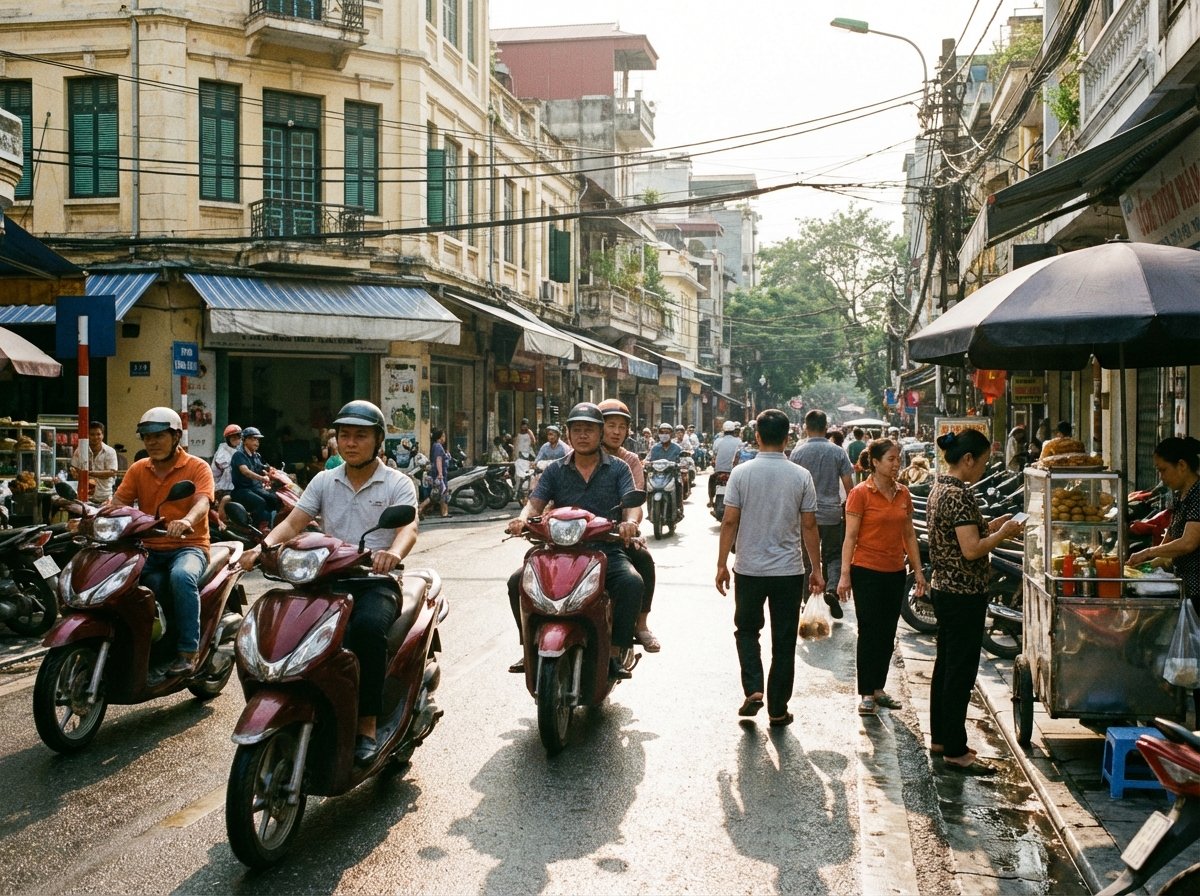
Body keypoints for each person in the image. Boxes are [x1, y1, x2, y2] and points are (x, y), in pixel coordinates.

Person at [239, 400, 419, 765]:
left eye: (360, 436)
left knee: (366, 630)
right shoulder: (325, 479)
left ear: (378, 441)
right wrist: (263, 548)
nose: (350, 443)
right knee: (282, 625)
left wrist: (393, 555)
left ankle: (367, 725)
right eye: (344, 436)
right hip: (324, 580)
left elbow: (408, 529)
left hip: (374, 581)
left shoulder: (397, 483)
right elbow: (294, 523)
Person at [505, 402, 644, 680]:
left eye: (589, 430)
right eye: (577, 430)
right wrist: (521, 520)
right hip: (558, 551)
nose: (583, 435)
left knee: (631, 582)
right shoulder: (555, 470)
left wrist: (630, 522)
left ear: (600, 433)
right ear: (568, 434)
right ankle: (528, 646)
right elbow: (534, 504)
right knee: (516, 581)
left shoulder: (618, 468)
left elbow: (632, 503)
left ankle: (616, 652)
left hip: (605, 548)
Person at [715, 408, 824, 727]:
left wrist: (722, 564)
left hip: (748, 569)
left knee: (747, 630)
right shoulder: (800, 476)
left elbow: (729, 521)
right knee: (784, 640)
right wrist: (816, 569)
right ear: (788, 438)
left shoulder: (741, 474)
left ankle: (753, 688)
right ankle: (778, 709)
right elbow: (810, 527)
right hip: (789, 572)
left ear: (757, 436)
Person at [927, 428, 1025, 771]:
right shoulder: (958, 495)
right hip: (962, 593)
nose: (983, 468)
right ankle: (955, 748)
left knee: (946, 666)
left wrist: (992, 525)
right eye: (982, 462)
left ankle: (941, 738)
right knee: (959, 671)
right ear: (967, 459)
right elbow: (970, 550)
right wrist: (1001, 534)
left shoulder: (943, 488)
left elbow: (964, 534)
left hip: (946, 588)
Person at [111, 407, 214, 676]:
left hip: (189, 545)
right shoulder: (138, 469)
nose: (152, 443)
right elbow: (119, 503)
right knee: (116, 578)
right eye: (146, 437)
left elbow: (202, 501)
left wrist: (188, 521)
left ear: (176, 436)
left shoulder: (197, 467)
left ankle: (188, 652)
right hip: (148, 548)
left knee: (181, 577)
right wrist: (93, 517)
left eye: (159, 436)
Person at [838, 438, 925, 717]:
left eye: (898, 458)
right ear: (875, 462)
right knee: (869, 631)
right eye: (891, 459)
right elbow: (850, 537)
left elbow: (909, 534)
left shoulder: (903, 494)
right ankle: (865, 691)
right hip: (866, 570)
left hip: (895, 571)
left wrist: (919, 571)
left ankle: (878, 687)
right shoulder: (861, 493)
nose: (897, 464)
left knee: (888, 634)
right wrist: (844, 575)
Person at [1129, 436, 1200, 720]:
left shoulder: (1199, 495)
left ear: (1182, 466)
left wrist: (1147, 553)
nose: (1161, 476)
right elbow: (1171, 538)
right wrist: (1149, 562)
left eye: (1163, 470)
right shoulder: (1180, 495)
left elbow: (1188, 543)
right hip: (1187, 587)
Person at [596, 399, 660, 653]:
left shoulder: (629, 461)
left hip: (615, 535)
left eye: (622, 427)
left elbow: (635, 500)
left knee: (643, 560)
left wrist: (629, 524)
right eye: (610, 425)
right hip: (575, 536)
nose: (616, 432)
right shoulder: (576, 456)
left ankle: (641, 625)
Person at [789, 409, 854, 621]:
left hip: (805, 516)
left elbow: (793, 488)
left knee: (806, 558)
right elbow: (848, 486)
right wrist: (848, 512)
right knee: (833, 555)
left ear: (806, 428)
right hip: (832, 514)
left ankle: (807, 598)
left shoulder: (797, 453)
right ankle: (832, 590)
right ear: (826, 428)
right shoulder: (838, 452)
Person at [230, 426, 282, 530]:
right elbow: (245, 471)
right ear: (245, 440)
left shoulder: (256, 456)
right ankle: (253, 529)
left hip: (255, 488)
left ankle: (269, 524)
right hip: (242, 490)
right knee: (260, 502)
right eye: (253, 439)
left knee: (275, 499)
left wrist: (273, 473)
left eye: (258, 439)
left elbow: (263, 468)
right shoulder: (239, 455)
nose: (257, 442)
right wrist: (262, 478)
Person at [70, 420, 119, 503]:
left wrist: (88, 473)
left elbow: (112, 472)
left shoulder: (110, 451)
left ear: (103, 435)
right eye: (92, 434)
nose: (95, 437)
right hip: (84, 498)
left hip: (105, 499)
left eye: (98, 434)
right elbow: (74, 469)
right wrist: (75, 472)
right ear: (87, 435)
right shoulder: (80, 450)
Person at [710, 420, 742, 507]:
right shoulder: (739, 441)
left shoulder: (718, 441)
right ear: (733, 431)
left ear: (723, 430)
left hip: (719, 471)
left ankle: (710, 500)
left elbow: (714, 454)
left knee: (711, 479)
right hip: (733, 471)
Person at [421, 427, 450, 518]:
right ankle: (420, 507)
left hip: (437, 473)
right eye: (443, 436)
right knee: (438, 494)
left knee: (440, 494)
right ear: (440, 437)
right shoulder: (438, 446)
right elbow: (438, 460)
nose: (445, 438)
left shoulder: (435, 446)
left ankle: (444, 513)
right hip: (439, 475)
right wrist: (440, 474)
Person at [513, 418, 537, 484]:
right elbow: (516, 444)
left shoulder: (529, 432)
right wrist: (515, 454)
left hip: (528, 453)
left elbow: (533, 442)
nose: (524, 426)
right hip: (520, 454)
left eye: (525, 425)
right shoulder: (519, 433)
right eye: (523, 425)